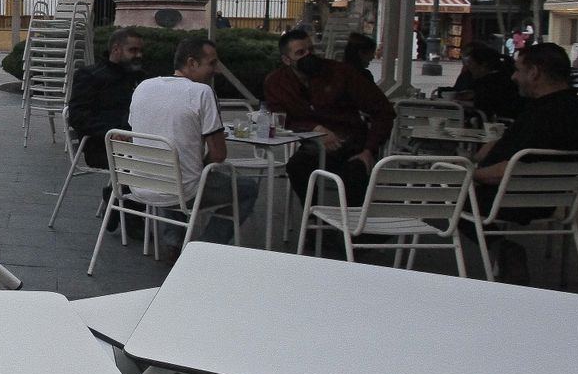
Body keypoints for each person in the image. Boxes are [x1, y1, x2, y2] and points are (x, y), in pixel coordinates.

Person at [126, 36, 259, 263]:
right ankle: (202, 249)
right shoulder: (201, 93)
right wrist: (201, 161)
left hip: (140, 184)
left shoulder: (144, 87)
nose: (215, 70)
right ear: (192, 63)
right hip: (182, 189)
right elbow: (219, 155)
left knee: (176, 170)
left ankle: (173, 243)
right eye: (212, 63)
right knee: (246, 188)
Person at [468, 42, 578, 284]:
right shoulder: (575, 110)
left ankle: (504, 248)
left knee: (442, 193)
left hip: (503, 199)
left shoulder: (539, 115)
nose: (513, 77)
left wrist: (471, 174)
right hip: (556, 200)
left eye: (518, 70)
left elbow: (508, 169)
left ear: (534, 72)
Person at [264, 29, 394, 205]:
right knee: (296, 167)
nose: (308, 55)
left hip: (353, 146)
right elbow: (280, 119)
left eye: (311, 50)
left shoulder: (340, 73)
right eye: (300, 53)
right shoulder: (276, 82)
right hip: (314, 146)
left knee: (355, 176)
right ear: (286, 60)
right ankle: (313, 215)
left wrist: (369, 150)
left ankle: (357, 228)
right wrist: (314, 129)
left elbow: (383, 111)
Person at [67, 28, 148, 169]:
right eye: (133, 50)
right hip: (101, 146)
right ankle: (119, 190)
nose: (139, 55)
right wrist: (110, 133)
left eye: (141, 51)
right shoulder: (90, 76)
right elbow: (77, 116)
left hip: (136, 143)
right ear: (116, 50)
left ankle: (120, 190)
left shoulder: (140, 78)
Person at [451, 40, 523, 121]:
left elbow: (488, 104)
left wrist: (463, 102)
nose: (468, 66)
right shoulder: (486, 80)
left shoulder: (498, 82)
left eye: (471, 63)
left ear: (483, 65)